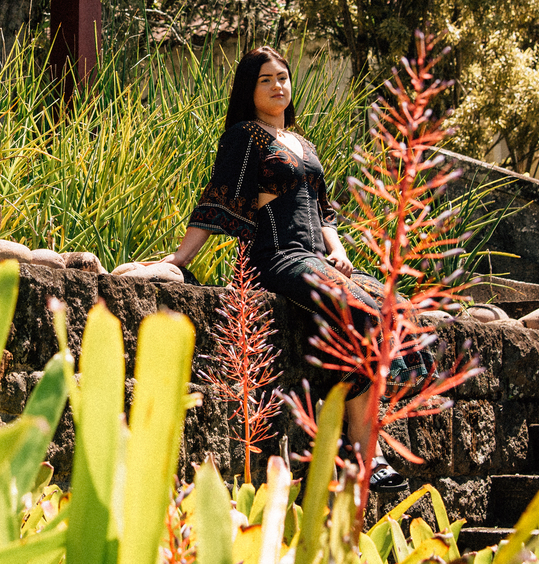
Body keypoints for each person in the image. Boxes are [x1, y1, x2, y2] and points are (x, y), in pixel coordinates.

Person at [156, 45, 407, 492]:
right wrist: (180, 259)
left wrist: (340, 252)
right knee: (363, 313)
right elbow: (220, 197)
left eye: (283, 77)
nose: (278, 86)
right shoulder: (245, 136)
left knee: (392, 309)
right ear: (249, 90)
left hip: (317, 257)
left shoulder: (303, 144)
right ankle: (363, 449)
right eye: (266, 79)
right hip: (277, 255)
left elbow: (324, 212)